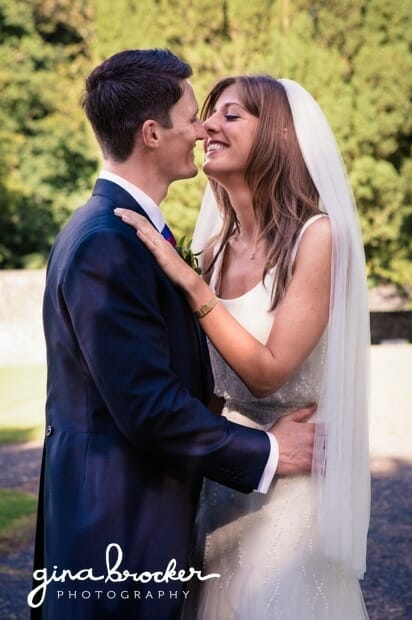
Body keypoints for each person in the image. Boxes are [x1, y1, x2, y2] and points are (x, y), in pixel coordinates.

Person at [35, 50, 316, 620]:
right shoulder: (107, 243)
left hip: (142, 516)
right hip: (116, 527)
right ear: (151, 133)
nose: (203, 129)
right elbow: (147, 407)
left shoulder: (126, 232)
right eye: (192, 118)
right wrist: (267, 450)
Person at [115, 75, 371, 618]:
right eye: (209, 115)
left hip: (292, 498)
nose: (207, 127)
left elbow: (268, 371)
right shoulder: (211, 251)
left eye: (231, 115)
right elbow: (204, 385)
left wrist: (192, 287)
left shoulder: (318, 238)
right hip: (225, 483)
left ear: (280, 134)